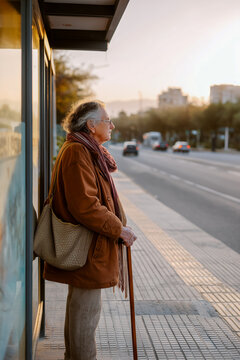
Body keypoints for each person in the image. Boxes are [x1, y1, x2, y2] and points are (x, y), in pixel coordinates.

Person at [43, 100, 137, 360]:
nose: (112, 125)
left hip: (90, 249)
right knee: (85, 316)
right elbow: (85, 205)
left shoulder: (85, 149)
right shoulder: (78, 152)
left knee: (79, 311)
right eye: (108, 120)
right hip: (88, 250)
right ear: (91, 124)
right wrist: (119, 230)